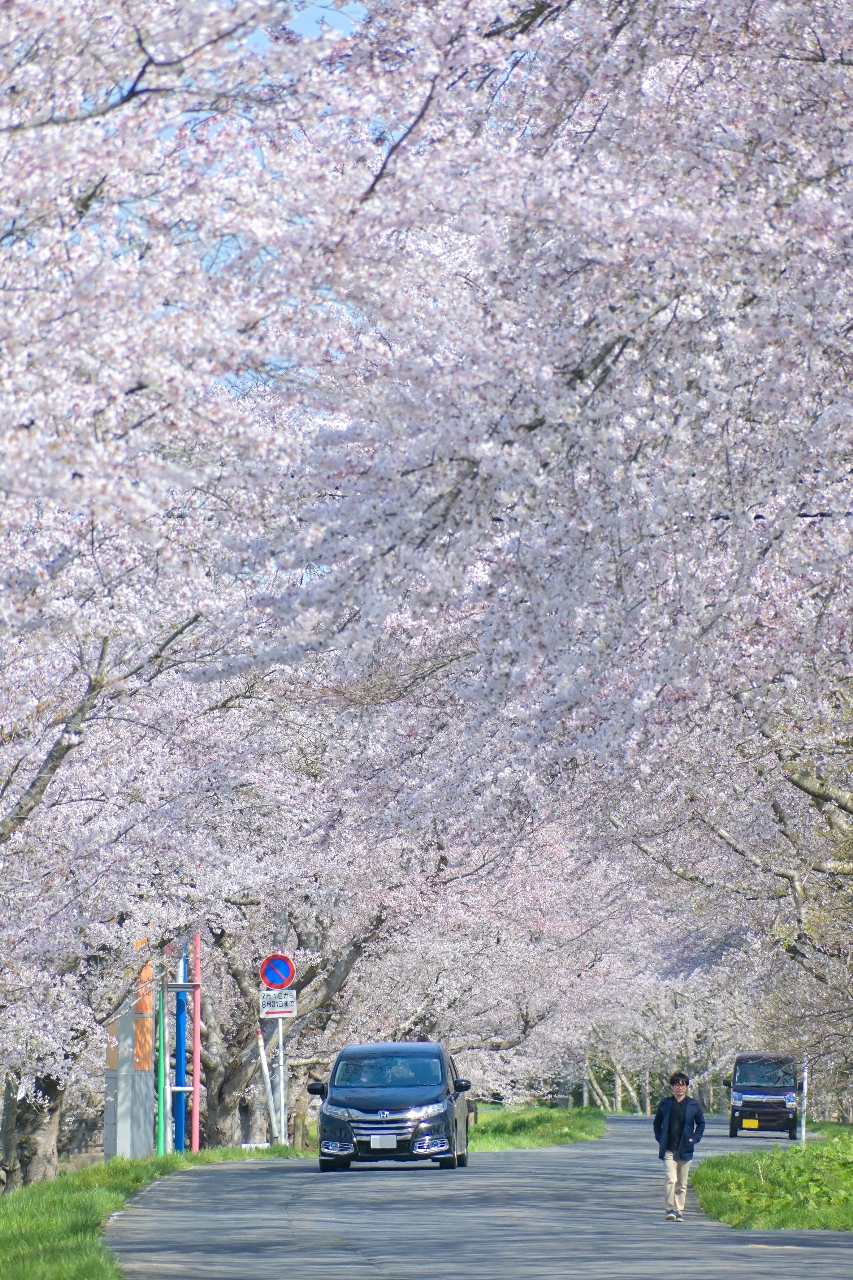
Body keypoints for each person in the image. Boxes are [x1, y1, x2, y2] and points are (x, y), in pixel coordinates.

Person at [653, 1071, 705, 1222]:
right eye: (677, 1085)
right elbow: (657, 1123)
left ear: (687, 1087)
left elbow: (701, 1123)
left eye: (682, 1085)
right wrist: (660, 1138)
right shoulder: (665, 1104)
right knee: (671, 1178)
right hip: (669, 1148)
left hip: (685, 1149)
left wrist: (694, 1138)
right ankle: (670, 1209)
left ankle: (679, 1211)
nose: (679, 1088)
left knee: (682, 1183)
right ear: (672, 1086)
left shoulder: (693, 1105)